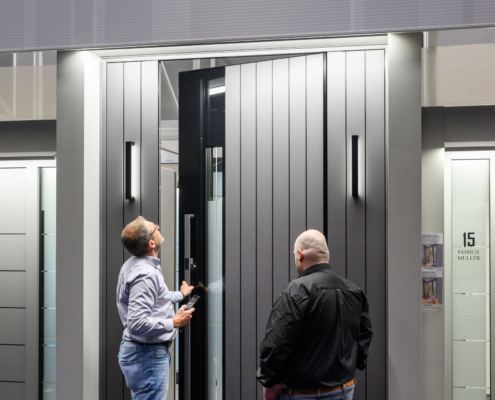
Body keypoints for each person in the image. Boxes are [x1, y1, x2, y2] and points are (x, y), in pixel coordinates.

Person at [257, 229, 373, 400]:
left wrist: (269, 381)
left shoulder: (297, 290)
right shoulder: (354, 290)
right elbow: (364, 335)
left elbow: (277, 342)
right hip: (344, 390)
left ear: (300, 254)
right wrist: (348, 368)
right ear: (326, 254)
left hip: (304, 394)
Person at [117, 216, 195, 399]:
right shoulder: (145, 274)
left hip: (145, 354)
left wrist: (180, 294)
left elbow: (156, 297)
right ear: (151, 243)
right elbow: (136, 323)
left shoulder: (135, 264)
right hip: (147, 354)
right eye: (155, 228)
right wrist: (174, 322)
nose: (158, 228)